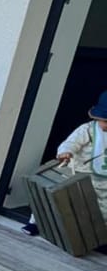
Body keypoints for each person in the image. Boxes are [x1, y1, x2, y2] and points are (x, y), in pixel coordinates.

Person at [22, 91, 107, 234]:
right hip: (77, 172)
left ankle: (100, 233)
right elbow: (71, 143)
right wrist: (66, 152)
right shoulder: (87, 130)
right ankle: (35, 222)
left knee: (104, 208)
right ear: (97, 117)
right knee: (55, 196)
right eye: (105, 121)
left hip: (102, 180)